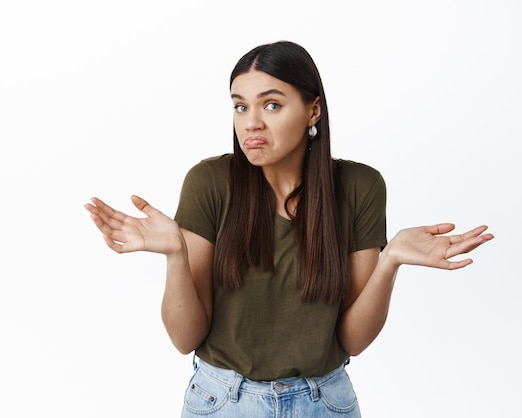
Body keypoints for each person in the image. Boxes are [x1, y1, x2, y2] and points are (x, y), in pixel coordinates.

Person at [84, 40, 493, 417]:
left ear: (313, 110)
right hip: (223, 401)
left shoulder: (360, 187)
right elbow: (184, 339)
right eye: (240, 106)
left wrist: (391, 262)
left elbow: (352, 341)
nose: (251, 123)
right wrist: (175, 254)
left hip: (324, 402)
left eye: (272, 105)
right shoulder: (210, 182)